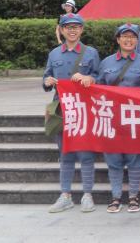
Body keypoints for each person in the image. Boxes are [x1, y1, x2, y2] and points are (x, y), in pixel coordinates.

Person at [43, 13, 100, 213]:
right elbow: (46, 77)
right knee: (65, 153)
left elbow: (99, 77)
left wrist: (89, 78)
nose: (72, 30)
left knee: (86, 153)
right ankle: (65, 195)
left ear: (81, 30)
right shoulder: (54, 54)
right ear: (61, 30)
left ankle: (87, 195)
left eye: (76, 27)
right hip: (62, 110)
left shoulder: (91, 53)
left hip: (85, 109)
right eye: (68, 27)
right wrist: (47, 82)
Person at [94, 23, 140, 213]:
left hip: (136, 118)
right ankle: (116, 197)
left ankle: (133, 197)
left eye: (132, 37)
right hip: (112, 117)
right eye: (125, 37)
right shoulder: (106, 63)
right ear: (118, 40)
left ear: (137, 40)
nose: (129, 40)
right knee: (113, 158)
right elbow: (98, 89)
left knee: (136, 158)